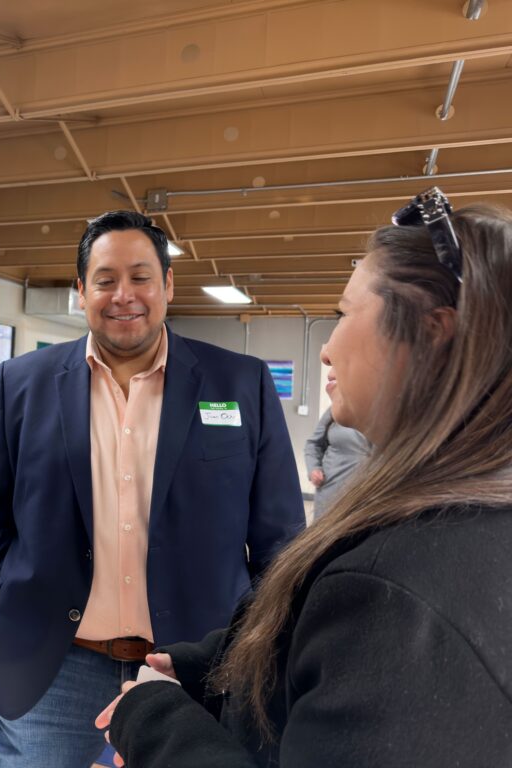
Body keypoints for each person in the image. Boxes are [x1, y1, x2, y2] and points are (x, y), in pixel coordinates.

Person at [98, 190, 512, 767]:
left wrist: (155, 719)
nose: (327, 348)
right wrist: (213, 667)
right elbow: (320, 650)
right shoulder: (434, 517)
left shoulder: (397, 592)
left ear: (430, 330)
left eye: (343, 314)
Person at [0, 210, 306, 768]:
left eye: (141, 277)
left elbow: (280, 539)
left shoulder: (239, 383)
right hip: (53, 662)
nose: (124, 295)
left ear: (168, 284)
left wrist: (260, 648)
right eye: (105, 279)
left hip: (198, 665)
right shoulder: (22, 385)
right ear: (80, 291)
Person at [303, 407, 371, 520]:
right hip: (331, 492)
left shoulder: (391, 410)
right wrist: (314, 469)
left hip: (370, 496)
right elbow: (313, 444)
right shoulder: (336, 408)